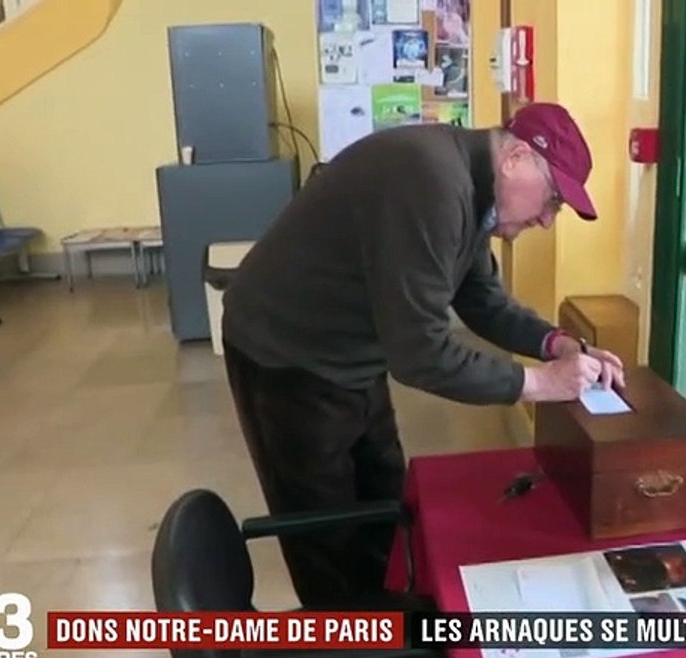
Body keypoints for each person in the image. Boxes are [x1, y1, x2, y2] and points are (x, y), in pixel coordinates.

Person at [220, 102, 627, 607]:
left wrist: (558, 343)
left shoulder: (471, 187)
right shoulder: (431, 183)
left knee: (386, 507)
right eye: (551, 200)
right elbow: (420, 354)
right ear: (516, 157)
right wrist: (541, 383)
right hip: (288, 354)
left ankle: (392, 638)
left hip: (354, 352)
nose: (546, 219)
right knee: (327, 539)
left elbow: (481, 298)